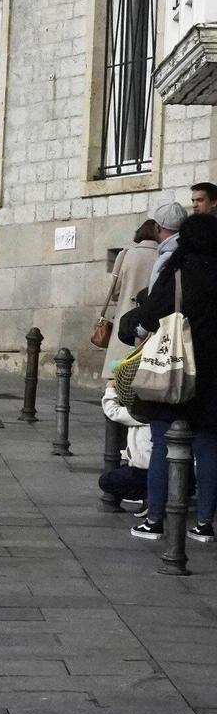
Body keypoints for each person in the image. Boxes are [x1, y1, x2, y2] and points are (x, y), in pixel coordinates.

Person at [129, 213, 217, 542]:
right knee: (208, 446)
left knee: (163, 442)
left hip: (175, 369)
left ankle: (155, 518)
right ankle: (205, 523)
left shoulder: (178, 270)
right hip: (213, 376)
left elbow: (150, 315)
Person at [97, 219, 161, 378]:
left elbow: (115, 291)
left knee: (119, 370)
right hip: (152, 320)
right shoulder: (162, 254)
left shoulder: (126, 254)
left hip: (126, 317)